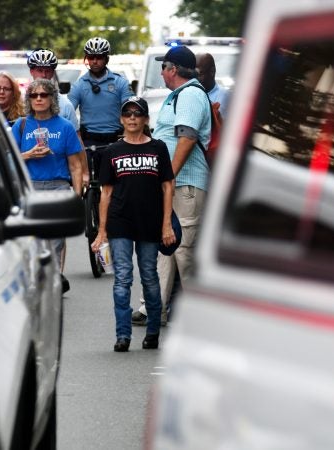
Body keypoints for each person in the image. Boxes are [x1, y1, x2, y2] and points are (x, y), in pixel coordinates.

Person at [132, 45, 211, 326]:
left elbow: (187, 138)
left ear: (173, 69)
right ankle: (155, 306)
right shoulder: (179, 95)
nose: (162, 72)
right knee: (167, 246)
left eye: (163, 67)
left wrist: (169, 174)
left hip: (184, 184)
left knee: (184, 250)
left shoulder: (189, 95)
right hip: (176, 184)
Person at [91, 97, 175, 352]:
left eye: (137, 114)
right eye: (127, 114)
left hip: (150, 222)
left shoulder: (158, 148)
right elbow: (105, 193)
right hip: (120, 222)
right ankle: (123, 335)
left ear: (146, 119)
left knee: (149, 276)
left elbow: (167, 186)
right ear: (121, 119)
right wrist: (101, 231)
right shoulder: (112, 151)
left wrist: (167, 225)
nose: (132, 118)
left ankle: (152, 333)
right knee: (123, 278)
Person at [11, 78, 83, 293]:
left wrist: (76, 196)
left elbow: (76, 165)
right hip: (30, 187)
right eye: (34, 95)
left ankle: (50, 286)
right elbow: (9, 158)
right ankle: (34, 282)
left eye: (44, 95)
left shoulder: (65, 126)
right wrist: (28, 154)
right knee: (30, 241)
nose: (39, 99)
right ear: (29, 100)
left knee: (55, 243)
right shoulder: (21, 125)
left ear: (52, 98)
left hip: (58, 187)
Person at [28, 48, 88, 291]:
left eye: (47, 70)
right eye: (38, 69)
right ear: (31, 71)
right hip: (31, 180)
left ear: (53, 72)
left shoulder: (63, 105)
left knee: (56, 239)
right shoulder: (24, 106)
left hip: (58, 179)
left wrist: (83, 174)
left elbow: (76, 141)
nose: (43, 73)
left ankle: (54, 279)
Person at [68, 37, 133, 177]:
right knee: (87, 181)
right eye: (91, 57)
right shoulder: (79, 85)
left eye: (99, 57)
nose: (95, 61)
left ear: (106, 59)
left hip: (116, 139)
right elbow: (67, 112)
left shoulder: (120, 83)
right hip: (89, 142)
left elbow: (130, 110)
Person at [196, 53, 230, 119]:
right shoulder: (187, 96)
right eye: (193, 74)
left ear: (212, 71)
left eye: (199, 74)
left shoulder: (227, 98)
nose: (194, 79)